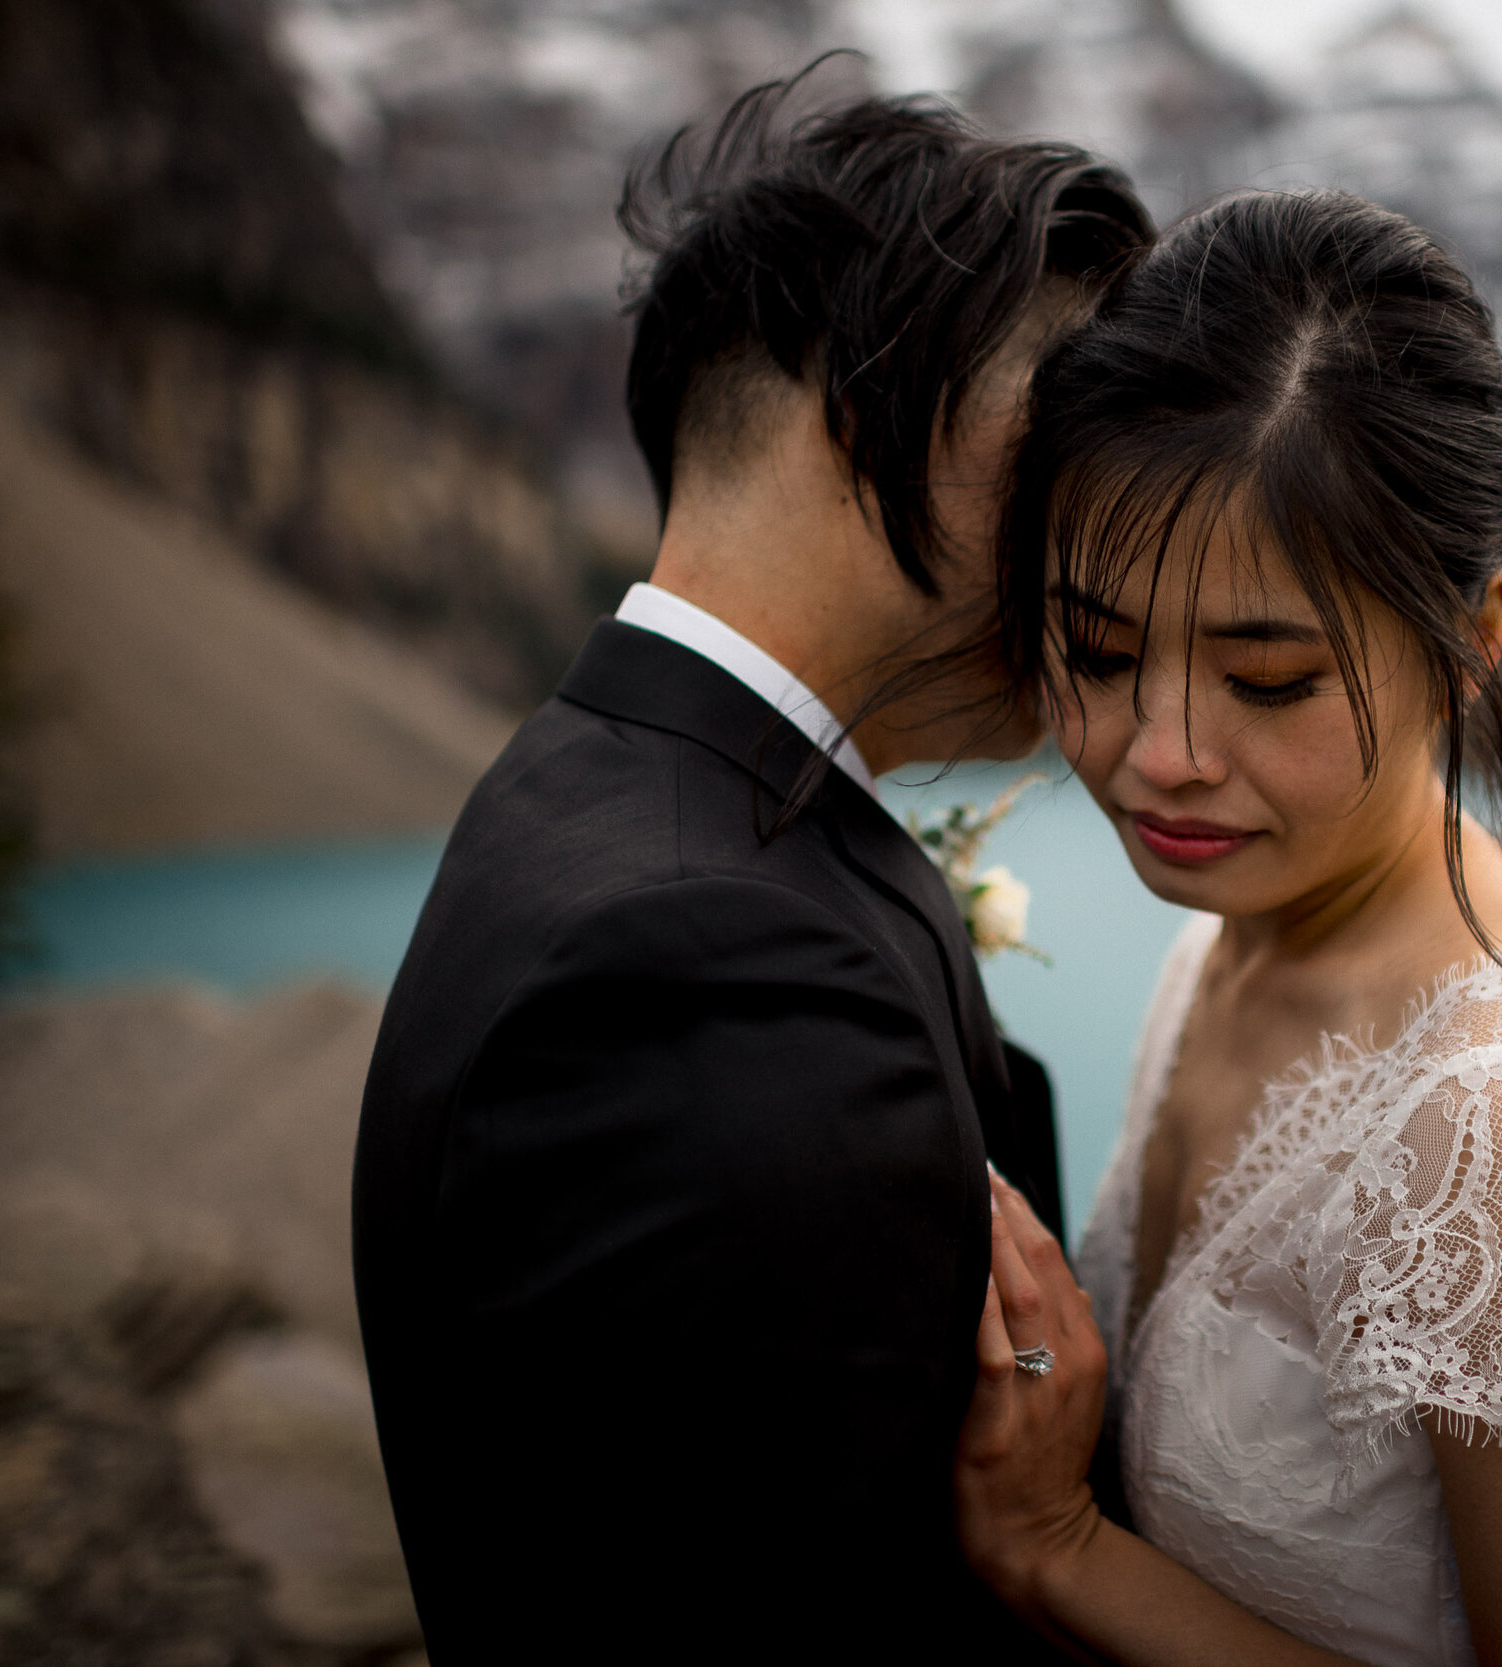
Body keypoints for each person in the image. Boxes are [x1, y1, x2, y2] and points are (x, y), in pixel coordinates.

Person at [350, 66, 1151, 1662]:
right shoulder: (701, 969)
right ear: (865, 406)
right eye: (1067, 438)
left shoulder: (617, 784)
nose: (1109, 535)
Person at [955, 189, 1502, 1666]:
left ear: (1474, 638)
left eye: (1271, 679)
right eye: (1099, 651)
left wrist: (1060, 1554)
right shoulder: (1237, 929)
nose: (1159, 750)